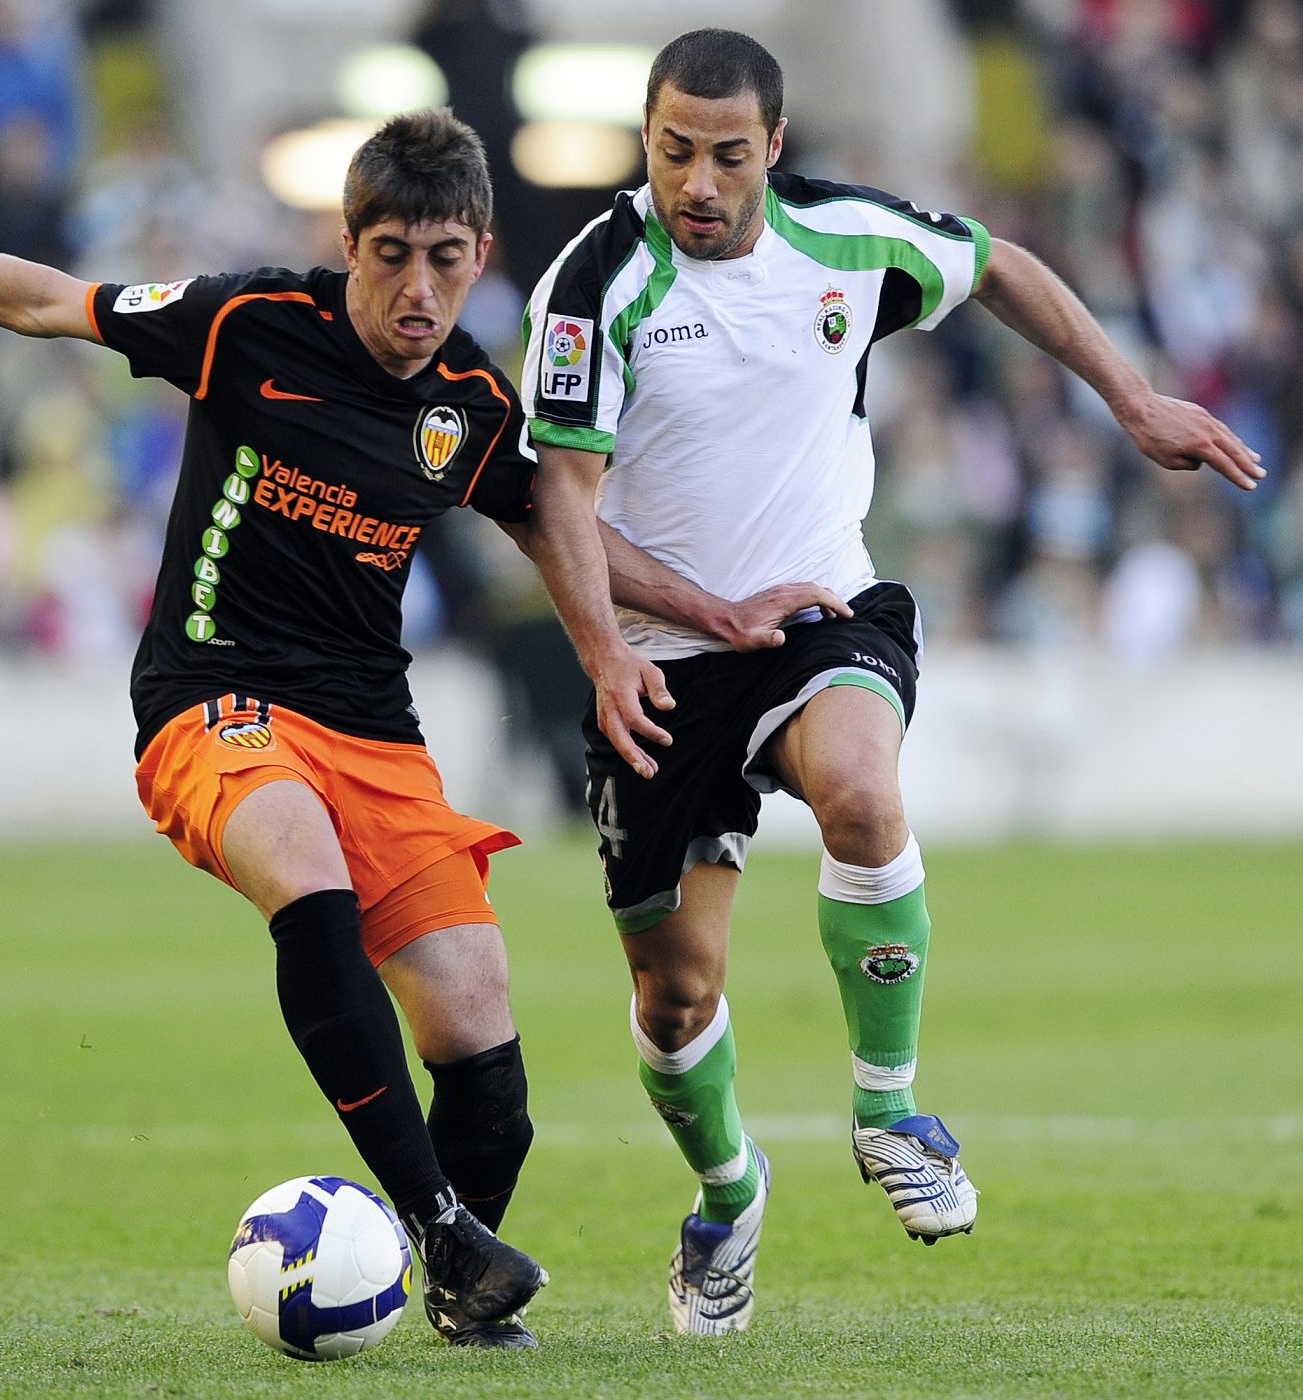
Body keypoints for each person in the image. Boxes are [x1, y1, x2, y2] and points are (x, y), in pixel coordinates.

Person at [0, 108, 653, 1350]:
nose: (419, 289)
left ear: (480, 250)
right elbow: (54, 301)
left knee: (482, 1042)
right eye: (391, 254)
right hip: (217, 698)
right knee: (306, 879)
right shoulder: (250, 323)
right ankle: (439, 1227)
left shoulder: (472, 395)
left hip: (374, 725)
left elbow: (561, 529)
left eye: (447, 259)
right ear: (347, 240)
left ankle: (461, 1291)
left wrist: (717, 611)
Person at [520, 28, 1265, 1336]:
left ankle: (886, 1116)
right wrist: (618, 645)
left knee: (861, 796)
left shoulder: (844, 242)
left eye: (727, 156)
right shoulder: (591, 286)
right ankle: (726, 1193)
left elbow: (998, 269)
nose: (696, 181)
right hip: (661, 660)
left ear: (776, 151)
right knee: (674, 990)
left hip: (818, 613)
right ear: (643, 140)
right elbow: (560, 507)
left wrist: (1128, 397)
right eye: (671, 151)